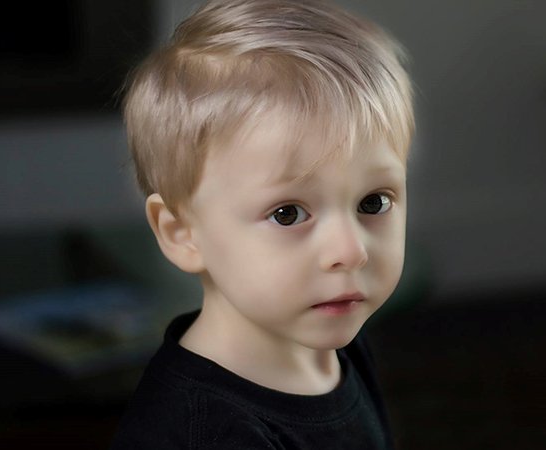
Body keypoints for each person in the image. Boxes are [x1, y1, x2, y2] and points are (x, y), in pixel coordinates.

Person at [111, 0, 414, 448]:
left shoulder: (336, 342)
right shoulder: (208, 433)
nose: (351, 251)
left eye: (373, 202)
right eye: (287, 213)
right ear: (182, 233)